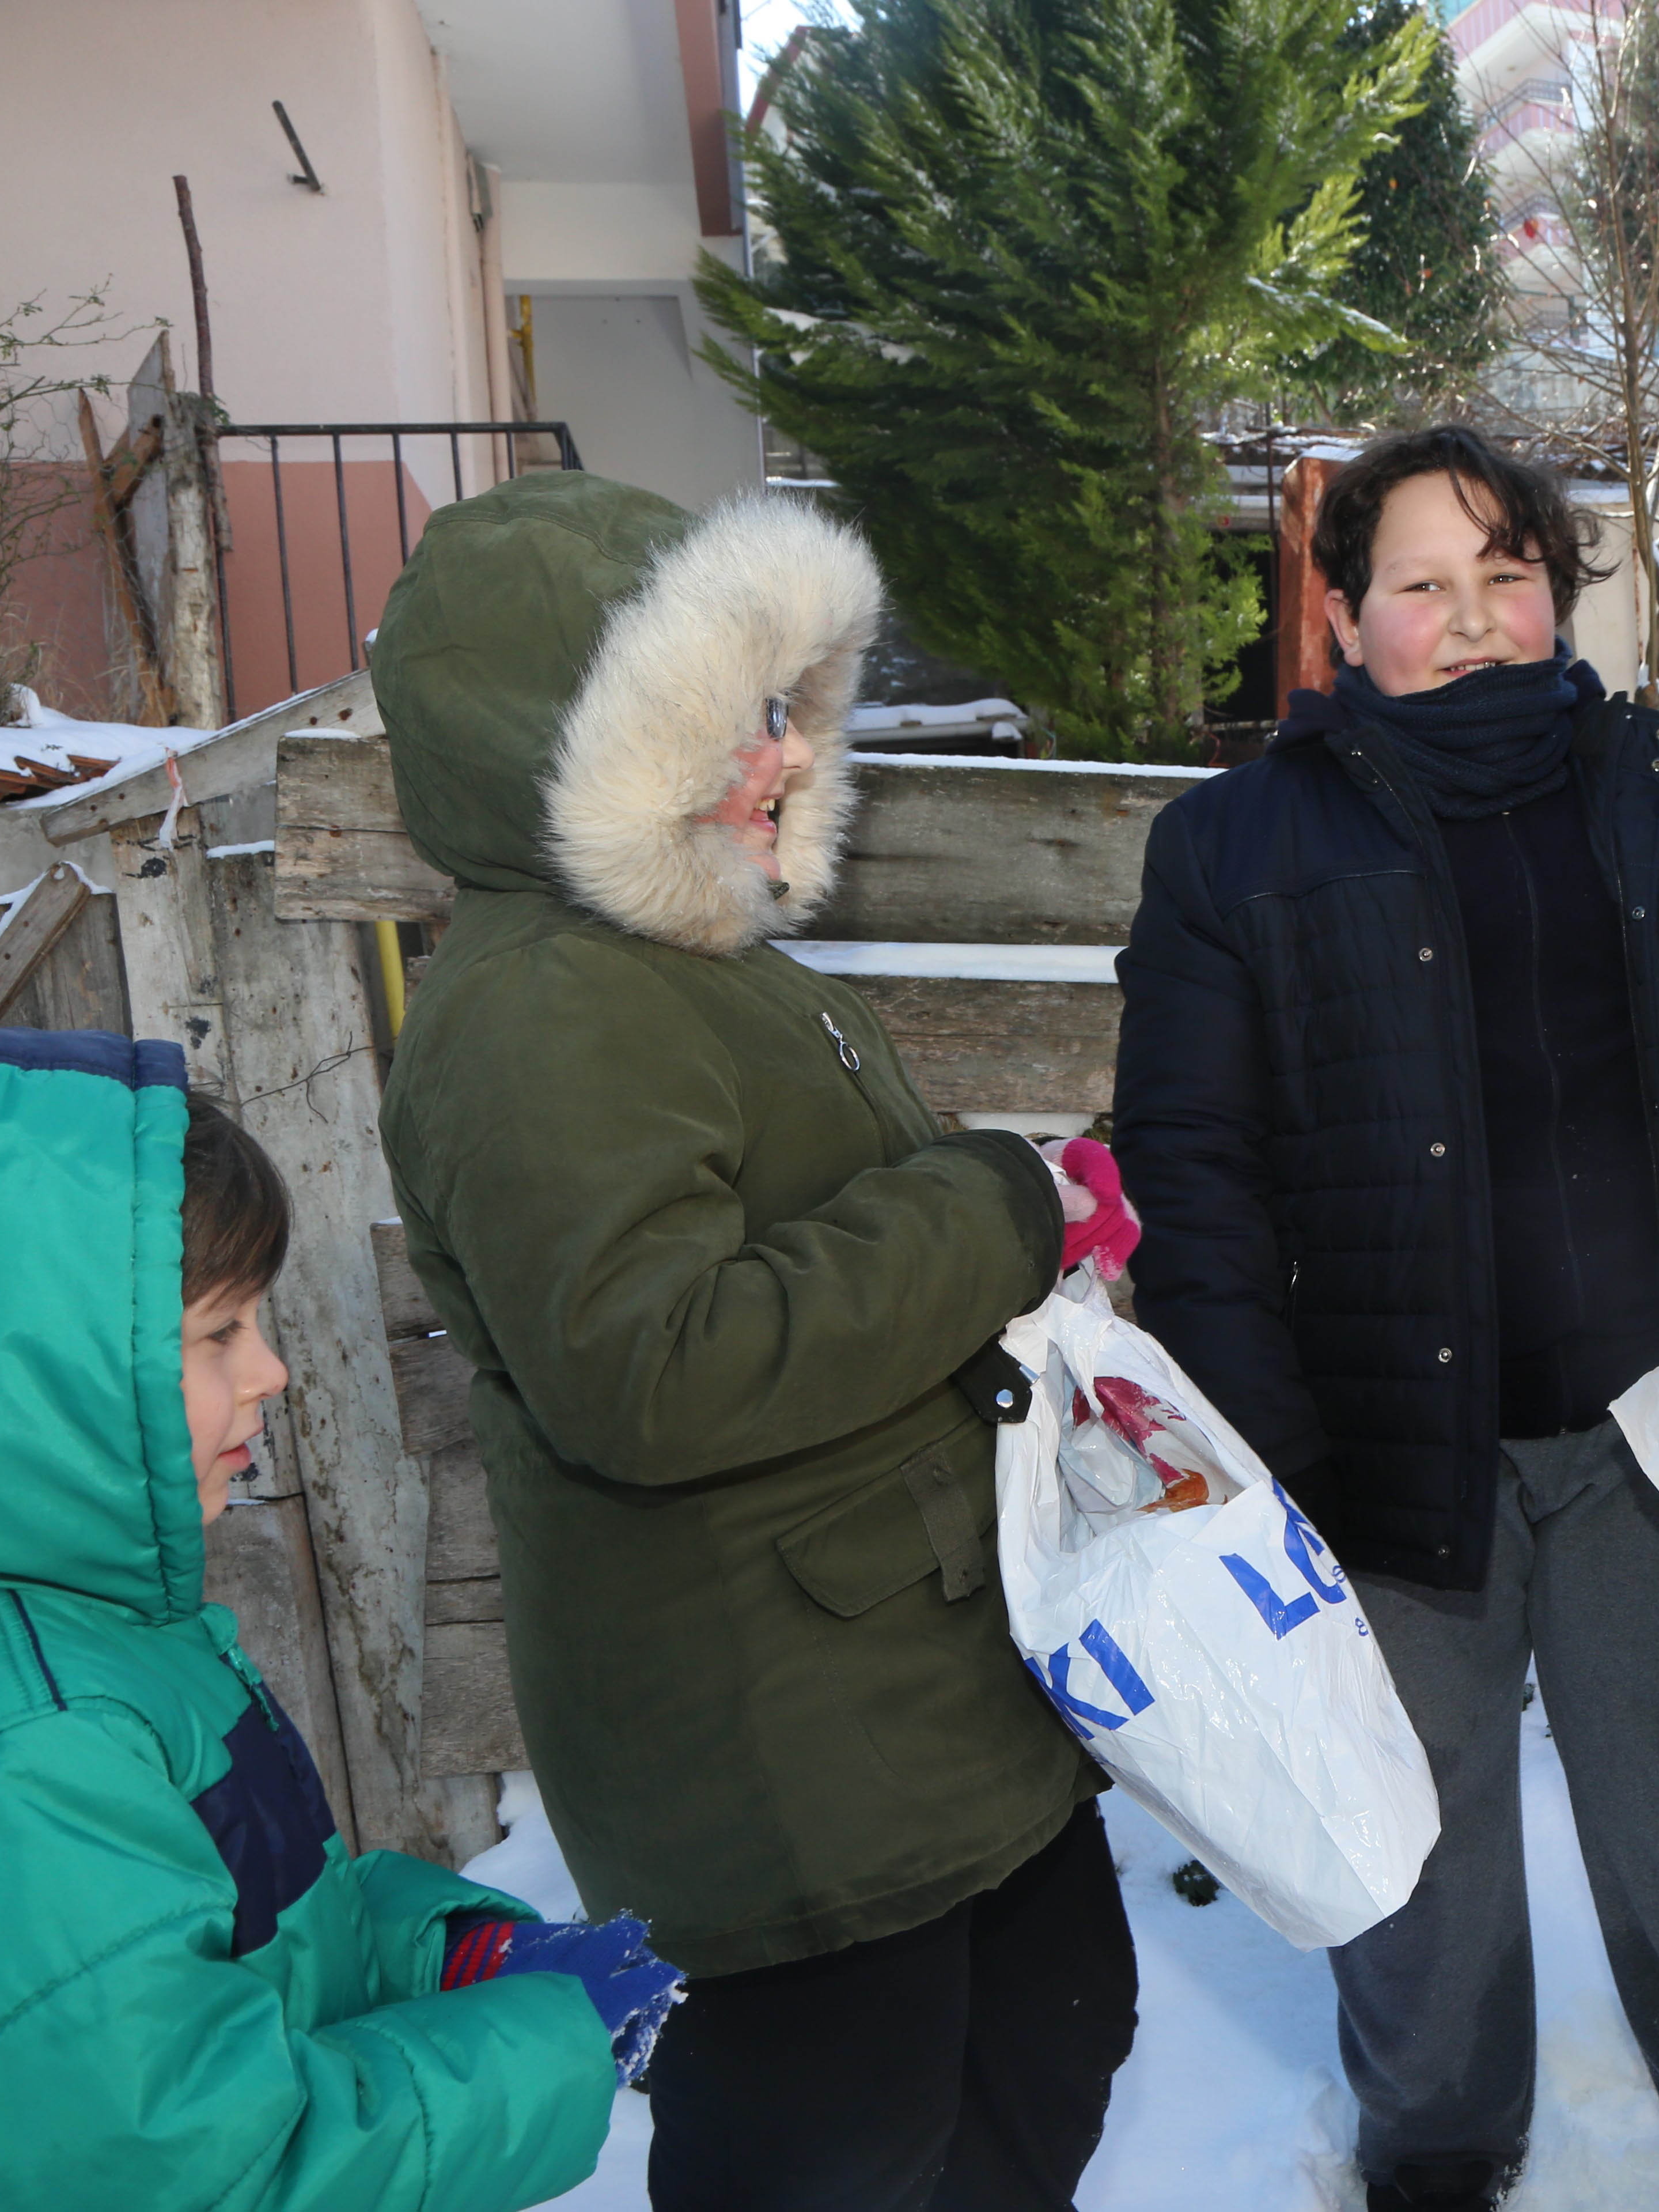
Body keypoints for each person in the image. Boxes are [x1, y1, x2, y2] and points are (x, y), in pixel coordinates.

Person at [370, 474, 1137, 2212]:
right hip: (782, 1763)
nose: (786, 757)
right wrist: (995, 1209)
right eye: (734, 723)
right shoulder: (539, 1013)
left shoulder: (683, 952)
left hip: (910, 1691)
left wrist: (1020, 1223)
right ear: (573, 741)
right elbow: (658, 1365)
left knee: (1043, 2055)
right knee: (838, 2161)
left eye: (786, 710)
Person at [1113, 426, 1659, 2212]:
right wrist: (1273, 1434)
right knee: (1416, 1850)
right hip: (1385, 1447)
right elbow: (1188, 1161)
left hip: (1640, 1430)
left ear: (1557, 589)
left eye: (1503, 575)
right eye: (1419, 587)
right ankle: (1438, 2148)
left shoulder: (1658, 794)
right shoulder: (1234, 845)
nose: (1469, 618)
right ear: (1345, 617)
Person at [0, 1034, 669, 2209]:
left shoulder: (103, 1636)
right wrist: (543, 2048)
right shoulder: (37, 1743)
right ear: (20, 1377)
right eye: (217, 1333)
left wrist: (443, 1952)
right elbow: (210, 2170)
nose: (273, 1371)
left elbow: (252, 1934)